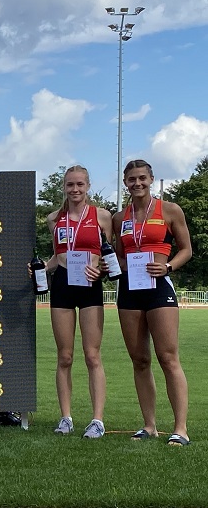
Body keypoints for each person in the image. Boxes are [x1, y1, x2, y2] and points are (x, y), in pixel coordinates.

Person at [113, 159, 192, 446]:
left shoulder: (170, 210)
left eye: (142, 178)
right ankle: (149, 425)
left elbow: (186, 249)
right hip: (130, 291)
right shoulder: (120, 218)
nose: (137, 183)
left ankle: (180, 429)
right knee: (140, 360)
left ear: (151, 178)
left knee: (168, 358)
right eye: (132, 179)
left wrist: (168, 267)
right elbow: (119, 256)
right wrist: (114, 266)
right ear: (125, 183)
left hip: (159, 286)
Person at [43, 165, 112, 438]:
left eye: (80, 184)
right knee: (65, 356)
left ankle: (97, 420)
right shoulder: (53, 218)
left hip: (89, 284)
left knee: (92, 355)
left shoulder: (103, 217)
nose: (75, 189)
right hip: (62, 285)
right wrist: (40, 268)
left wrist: (103, 269)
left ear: (88, 186)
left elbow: (111, 256)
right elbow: (56, 256)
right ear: (64, 186)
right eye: (70, 185)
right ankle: (66, 417)